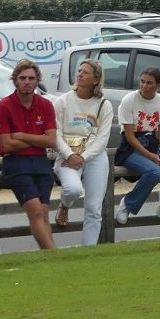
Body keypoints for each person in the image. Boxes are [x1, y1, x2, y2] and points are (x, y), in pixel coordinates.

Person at [0, 60, 59, 252]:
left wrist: (22, 136)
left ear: (37, 80)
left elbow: (51, 140)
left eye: (31, 78)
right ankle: (55, 255)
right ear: (15, 80)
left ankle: (48, 256)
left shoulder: (45, 105)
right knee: (36, 211)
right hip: (16, 163)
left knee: (43, 212)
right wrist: (38, 139)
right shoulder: (4, 106)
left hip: (41, 162)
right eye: (22, 78)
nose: (27, 82)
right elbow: (6, 144)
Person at [52, 59, 117, 246]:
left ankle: (88, 250)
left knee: (94, 208)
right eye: (79, 71)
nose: (80, 75)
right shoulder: (62, 102)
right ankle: (65, 205)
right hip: (67, 154)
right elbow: (56, 134)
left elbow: (103, 139)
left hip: (94, 156)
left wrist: (83, 157)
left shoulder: (104, 105)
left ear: (96, 79)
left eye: (86, 72)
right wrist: (69, 155)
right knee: (73, 189)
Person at [116, 67, 160, 224]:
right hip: (131, 147)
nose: (144, 86)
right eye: (142, 81)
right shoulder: (129, 100)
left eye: (149, 83)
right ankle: (128, 204)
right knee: (155, 172)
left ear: (158, 86)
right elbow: (130, 136)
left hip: (152, 143)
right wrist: (151, 156)